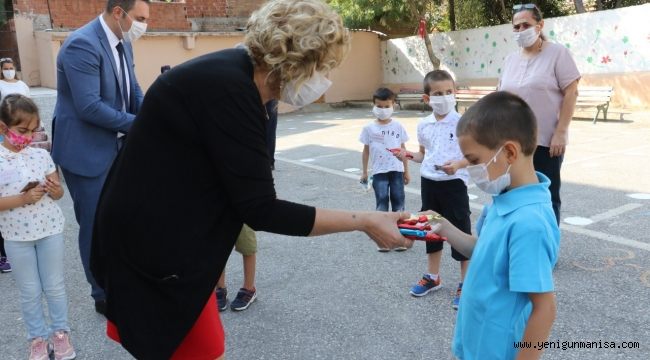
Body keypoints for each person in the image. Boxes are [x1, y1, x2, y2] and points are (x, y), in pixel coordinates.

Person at [89, 1, 408, 359]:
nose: (323, 80)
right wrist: (363, 221)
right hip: (155, 249)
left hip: (164, 237)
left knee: (202, 347)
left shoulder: (237, 76)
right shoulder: (230, 88)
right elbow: (260, 208)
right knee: (198, 350)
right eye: (323, 67)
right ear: (296, 62)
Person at [432, 91, 559, 359]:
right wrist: (442, 225)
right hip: (475, 343)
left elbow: (544, 308)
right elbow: (485, 252)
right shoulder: (502, 200)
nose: (469, 169)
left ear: (509, 152)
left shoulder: (529, 224)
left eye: (474, 161)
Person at [51, 0, 149, 315]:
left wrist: (152, 113)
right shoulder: (82, 44)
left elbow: (132, 90)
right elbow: (89, 107)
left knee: (122, 219)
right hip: (85, 151)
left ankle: (121, 280)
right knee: (95, 225)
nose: (144, 25)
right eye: (140, 18)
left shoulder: (123, 41)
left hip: (117, 146)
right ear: (118, 12)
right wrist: (143, 125)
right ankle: (102, 293)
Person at [0, 94, 76, 360]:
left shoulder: (41, 155)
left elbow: (58, 195)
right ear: (3, 128)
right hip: (16, 236)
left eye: (33, 131)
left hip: (49, 229)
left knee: (54, 286)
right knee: (30, 291)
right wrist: (21, 198)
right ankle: (37, 339)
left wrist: (55, 190)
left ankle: (60, 333)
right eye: (22, 131)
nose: (28, 137)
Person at [498, 3, 580, 224]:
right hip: (510, 143)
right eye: (517, 26)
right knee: (510, 194)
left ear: (540, 25)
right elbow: (501, 98)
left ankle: (546, 248)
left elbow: (571, 91)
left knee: (545, 196)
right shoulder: (510, 60)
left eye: (526, 24)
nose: (521, 30)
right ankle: (515, 241)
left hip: (544, 141)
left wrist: (561, 132)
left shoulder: (557, 53)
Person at [396, 70, 471, 308]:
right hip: (429, 182)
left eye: (449, 92)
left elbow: (473, 155)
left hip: (454, 184)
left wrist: (458, 164)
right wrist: (406, 155)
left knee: (460, 231)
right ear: (427, 99)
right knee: (431, 228)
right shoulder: (423, 125)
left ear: (455, 93)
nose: (445, 97)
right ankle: (433, 276)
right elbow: (423, 155)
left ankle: (466, 283)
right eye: (438, 93)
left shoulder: (463, 123)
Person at [360, 87, 410, 252]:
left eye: (386, 106)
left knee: (398, 202)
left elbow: (403, 150)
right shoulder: (368, 128)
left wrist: (406, 170)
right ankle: (382, 238)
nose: (383, 110)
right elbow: (366, 151)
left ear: (393, 105)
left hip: (396, 170)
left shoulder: (398, 126)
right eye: (379, 106)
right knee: (381, 201)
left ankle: (400, 237)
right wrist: (365, 171)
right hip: (379, 172)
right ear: (373, 105)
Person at [216, 225, 258, 312]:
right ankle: (220, 288)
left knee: (247, 244)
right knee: (217, 245)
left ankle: (249, 289)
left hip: (244, 212)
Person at [266, 99, 279, 170]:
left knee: (269, 130)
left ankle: (268, 161)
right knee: (270, 130)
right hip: (271, 94)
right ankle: (269, 162)